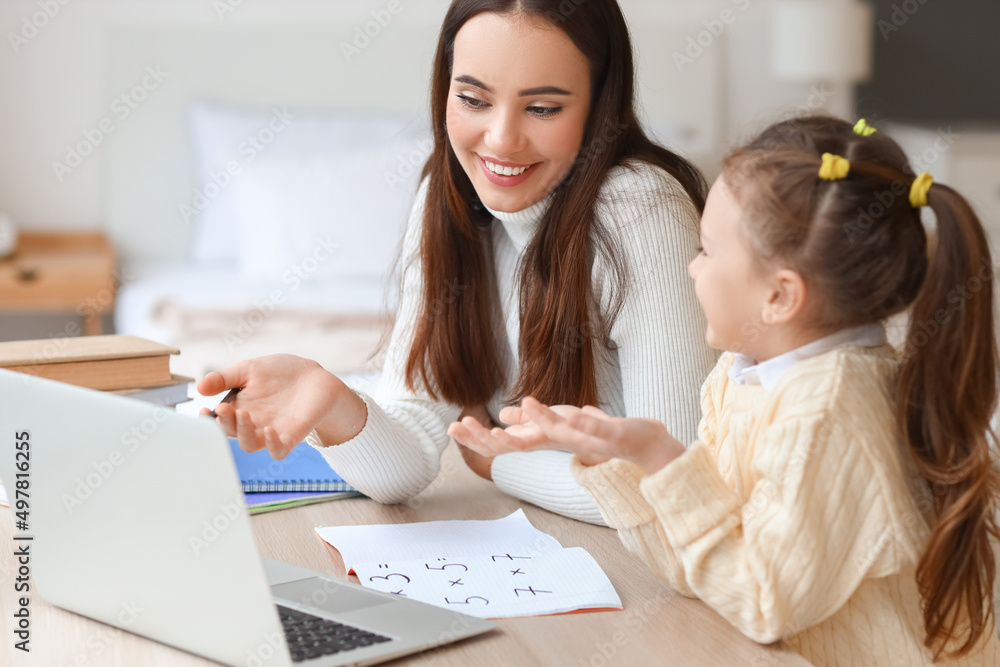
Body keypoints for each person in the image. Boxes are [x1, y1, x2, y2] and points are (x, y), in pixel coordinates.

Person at [453, 116, 1000, 665]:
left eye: (708, 251)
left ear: (780, 298)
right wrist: (615, 459)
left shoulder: (827, 409)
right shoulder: (742, 374)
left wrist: (665, 459)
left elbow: (762, 604)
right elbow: (700, 574)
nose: (691, 267)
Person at [197, 0, 717, 524]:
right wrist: (331, 400)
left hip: (656, 569)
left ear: (599, 104)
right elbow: (403, 465)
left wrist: (498, 464)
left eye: (542, 108)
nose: (501, 140)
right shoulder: (446, 197)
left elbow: (674, 492)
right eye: (472, 99)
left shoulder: (641, 209)